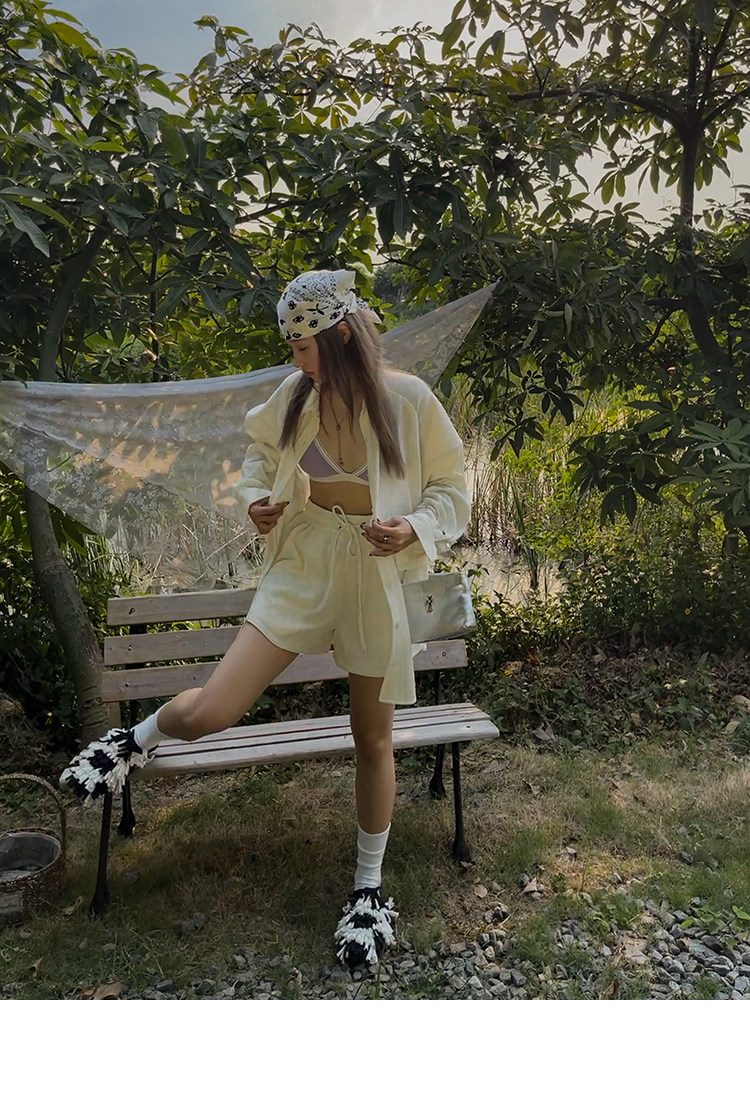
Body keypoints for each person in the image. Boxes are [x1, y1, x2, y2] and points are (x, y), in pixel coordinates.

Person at [60, 269, 471, 968]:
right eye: (291, 347)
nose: (296, 360)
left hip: (375, 572)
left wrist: (415, 528)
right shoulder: (295, 397)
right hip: (304, 562)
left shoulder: (407, 399)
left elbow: (452, 487)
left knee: (372, 737)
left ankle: (368, 891)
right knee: (214, 708)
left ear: (340, 336)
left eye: (303, 346)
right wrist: (256, 501)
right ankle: (134, 740)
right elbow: (257, 460)